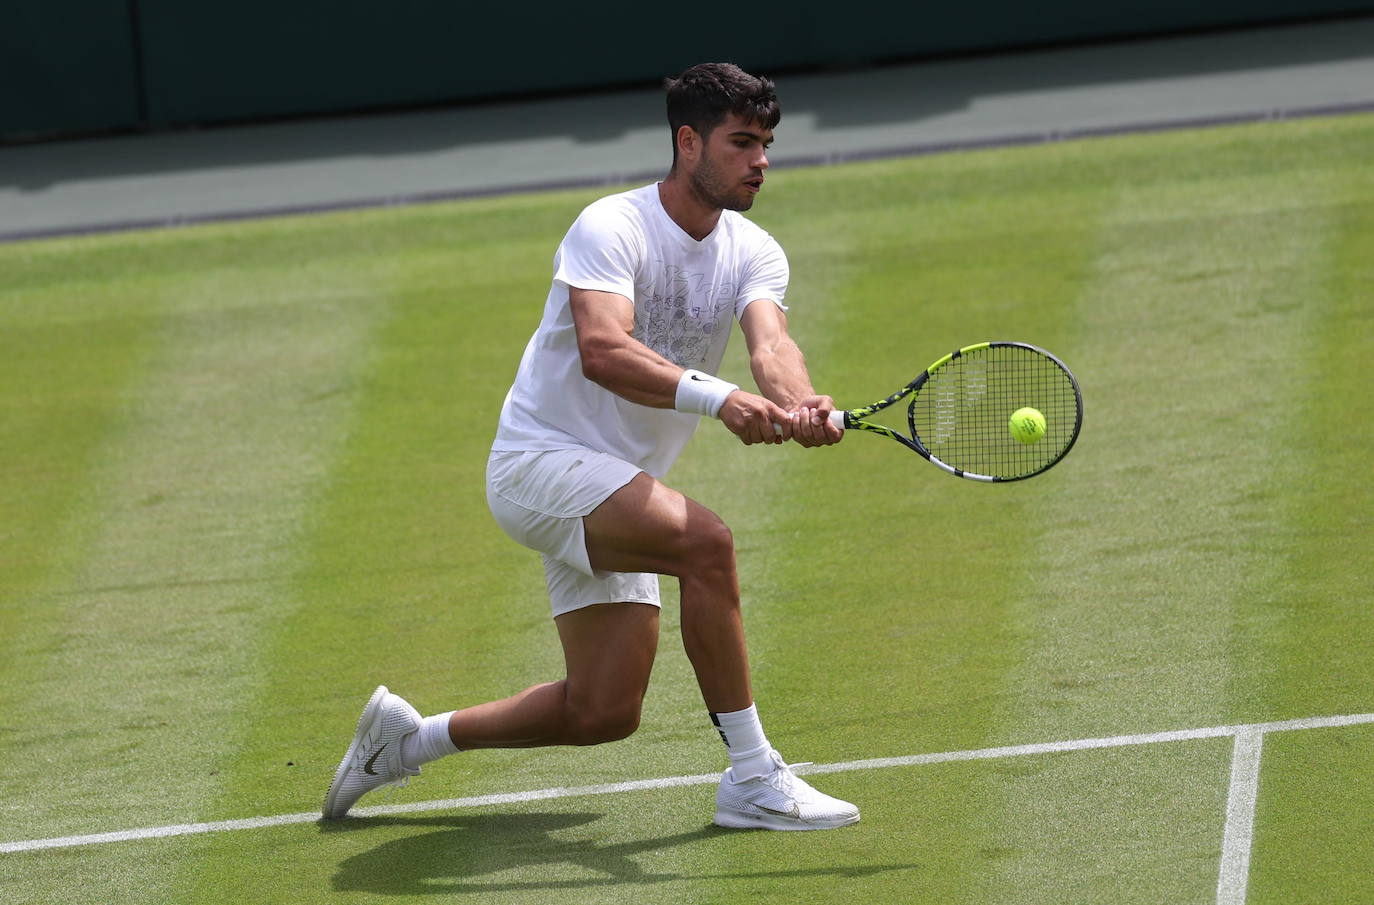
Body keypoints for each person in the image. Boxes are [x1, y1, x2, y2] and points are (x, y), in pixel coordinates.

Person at [324, 62, 858, 831]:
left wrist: (799, 401)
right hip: (536, 464)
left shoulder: (755, 250)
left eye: (766, 143)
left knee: (603, 708)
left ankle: (408, 740)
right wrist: (721, 398)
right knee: (707, 545)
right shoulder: (612, 226)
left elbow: (772, 344)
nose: (760, 161)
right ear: (687, 142)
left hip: (613, 480)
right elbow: (605, 350)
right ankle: (752, 776)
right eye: (741, 142)